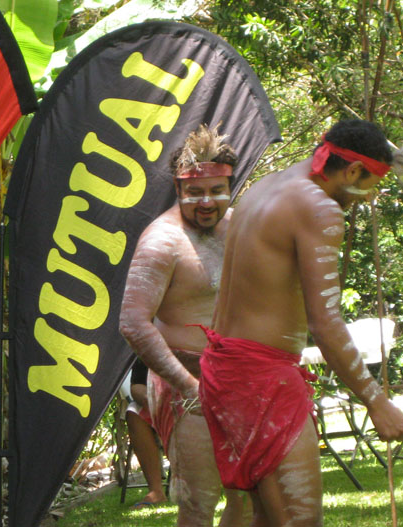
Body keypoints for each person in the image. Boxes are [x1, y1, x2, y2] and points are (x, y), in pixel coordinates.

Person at [198, 119, 403, 526]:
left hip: (227, 370)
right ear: (352, 171)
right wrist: (376, 400)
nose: (370, 196)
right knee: (299, 519)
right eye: (372, 183)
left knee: (260, 516)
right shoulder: (318, 207)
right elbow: (325, 321)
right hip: (259, 379)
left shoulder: (268, 184)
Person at [120, 124, 251, 527]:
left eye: (216, 189)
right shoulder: (163, 240)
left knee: (246, 498)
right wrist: (188, 385)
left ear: (231, 186)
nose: (207, 201)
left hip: (242, 381)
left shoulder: (240, 227)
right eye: (195, 192)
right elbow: (133, 323)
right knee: (198, 505)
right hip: (189, 388)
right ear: (179, 190)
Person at [124, 358, 167, 508]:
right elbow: (136, 386)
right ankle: (156, 491)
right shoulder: (148, 342)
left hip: (194, 399)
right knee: (133, 413)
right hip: (160, 404)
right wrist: (149, 399)